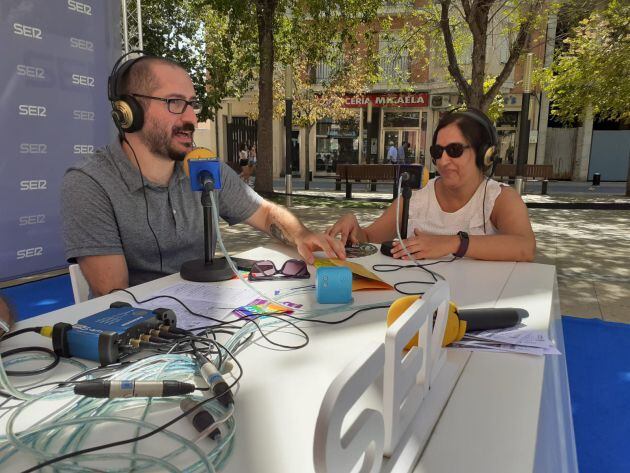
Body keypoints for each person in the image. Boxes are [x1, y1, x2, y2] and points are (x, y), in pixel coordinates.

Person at [61, 54, 345, 297]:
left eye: (192, 104)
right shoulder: (89, 184)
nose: (191, 119)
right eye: (174, 102)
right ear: (129, 111)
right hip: (149, 338)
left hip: (212, 315)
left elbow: (267, 214)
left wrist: (301, 234)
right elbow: (115, 296)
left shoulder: (205, 167)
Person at [327, 109, 535, 262]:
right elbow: (370, 238)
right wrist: (355, 228)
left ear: (485, 154)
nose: (443, 161)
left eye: (454, 150)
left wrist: (452, 243)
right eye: (437, 152)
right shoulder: (416, 197)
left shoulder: (499, 198)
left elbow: (525, 247)